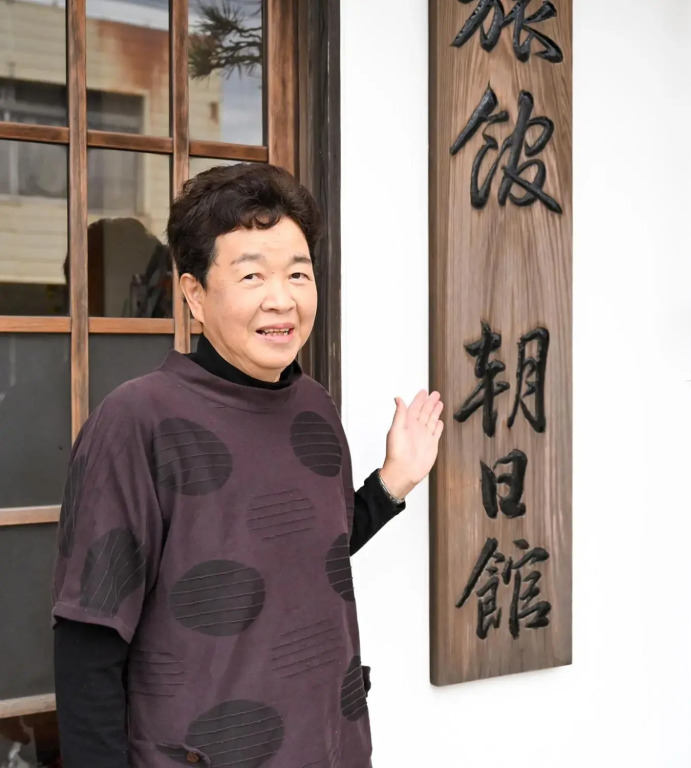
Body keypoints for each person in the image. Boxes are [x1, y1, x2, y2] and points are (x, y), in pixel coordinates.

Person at [51, 163, 444, 768]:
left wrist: (394, 482)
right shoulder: (137, 421)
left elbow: (306, 553)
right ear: (194, 295)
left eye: (297, 273)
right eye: (252, 275)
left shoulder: (314, 407)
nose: (281, 299)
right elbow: (88, 639)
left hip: (329, 745)